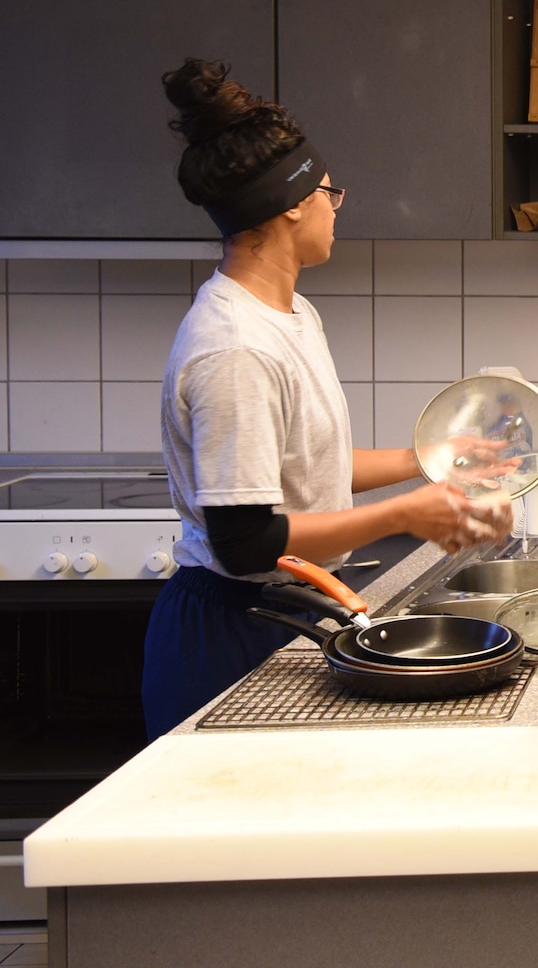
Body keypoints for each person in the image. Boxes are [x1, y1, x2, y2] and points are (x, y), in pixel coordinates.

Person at [140, 59, 513, 739]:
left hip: (281, 611)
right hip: (229, 634)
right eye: (328, 193)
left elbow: (304, 468)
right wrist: (407, 512)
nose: (336, 205)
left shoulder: (289, 314)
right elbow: (248, 538)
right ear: (292, 204)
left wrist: (428, 459)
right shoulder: (235, 347)